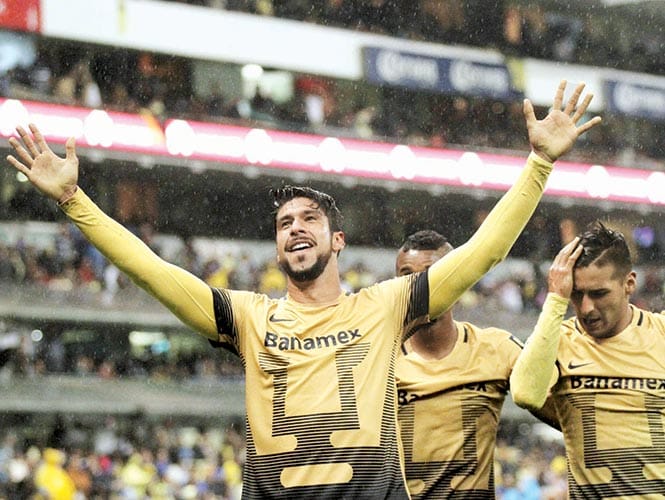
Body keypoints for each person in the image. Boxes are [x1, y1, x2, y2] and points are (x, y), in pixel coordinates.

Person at [6, 80, 599, 499]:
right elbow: (150, 270)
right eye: (284, 223)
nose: (295, 228)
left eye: (309, 219)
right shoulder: (249, 317)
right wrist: (73, 201)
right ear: (277, 247)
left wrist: (539, 164)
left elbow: (483, 252)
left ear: (337, 240)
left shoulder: (385, 305)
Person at [395, 230, 559, 499]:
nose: (419, 285)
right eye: (407, 275)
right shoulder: (377, 357)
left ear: (457, 282)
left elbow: (568, 417)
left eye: (432, 274)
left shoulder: (496, 348)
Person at [510, 221, 665, 498]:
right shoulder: (560, 340)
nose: (586, 308)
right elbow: (524, 393)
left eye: (599, 293)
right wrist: (556, 299)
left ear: (629, 284)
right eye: (576, 294)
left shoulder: (661, 333)